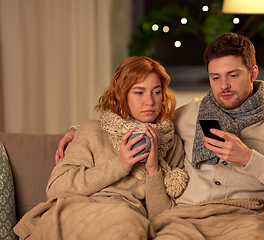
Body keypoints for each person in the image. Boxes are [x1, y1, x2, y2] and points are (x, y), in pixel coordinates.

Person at [55, 33, 264, 239]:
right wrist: (78, 130)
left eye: (233, 75)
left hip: (246, 218)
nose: (224, 85)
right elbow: (138, 118)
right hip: (185, 219)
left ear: (253, 73)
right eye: (215, 77)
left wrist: (249, 158)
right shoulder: (190, 114)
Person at [13, 56, 188, 240]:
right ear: (122, 95)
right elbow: (55, 188)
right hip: (80, 211)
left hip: (126, 221)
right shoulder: (93, 131)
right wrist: (119, 165)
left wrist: (153, 170)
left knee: (126, 220)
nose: (150, 102)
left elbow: (160, 217)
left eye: (156, 92)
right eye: (139, 92)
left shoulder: (171, 144)